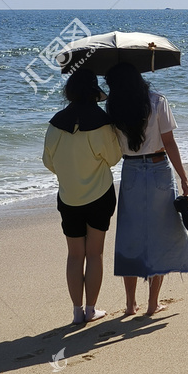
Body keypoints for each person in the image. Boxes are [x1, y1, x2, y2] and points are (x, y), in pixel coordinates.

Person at [105, 62, 188, 316]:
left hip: (130, 170)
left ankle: (131, 304)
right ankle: (153, 303)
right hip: (157, 168)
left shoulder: (113, 107)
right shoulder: (157, 101)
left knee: (130, 236)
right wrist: (184, 178)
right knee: (161, 234)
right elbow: (169, 142)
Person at [43, 67, 122, 325]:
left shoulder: (56, 123)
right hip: (99, 195)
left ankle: (77, 312)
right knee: (95, 253)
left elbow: (49, 162)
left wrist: (70, 172)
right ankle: (91, 309)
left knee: (74, 255)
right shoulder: (101, 123)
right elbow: (113, 158)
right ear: (94, 93)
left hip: (69, 198)